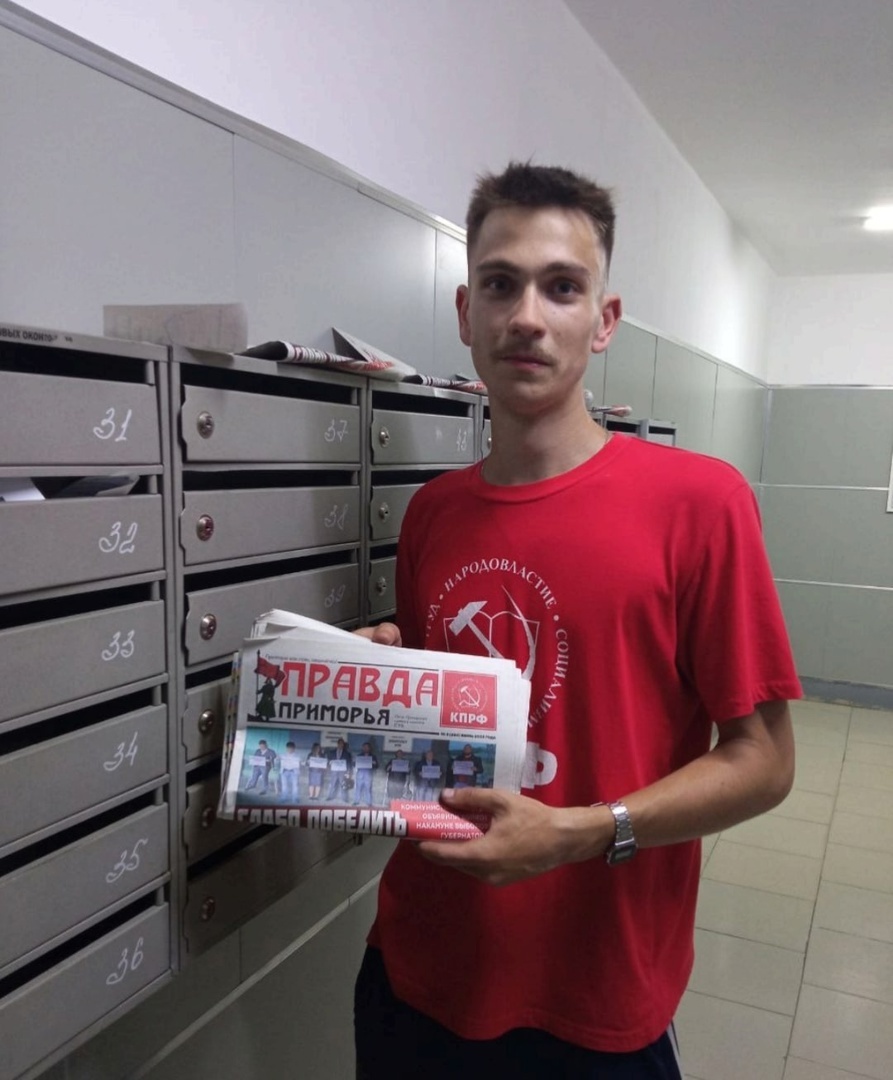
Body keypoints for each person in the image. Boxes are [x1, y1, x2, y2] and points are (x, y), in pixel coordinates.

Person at [353, 162, 800, 1080]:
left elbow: (763, 761)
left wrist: (586, 830)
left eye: (561, 287)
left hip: (593, 1000)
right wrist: (370, 689)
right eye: (500, 284)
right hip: (417, 974)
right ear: (465, 312)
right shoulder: (433, 513)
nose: (526, 316)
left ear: (603, 321)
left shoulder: (699, 503)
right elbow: (444, 742)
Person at [325, 737, 353, 802]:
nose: (341, 745)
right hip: (334, 771)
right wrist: (329, 763)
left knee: (343, 785)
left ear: (343, 745)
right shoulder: (332, 752)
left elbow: (349, 763)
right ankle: (330, 797)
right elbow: (328, 760)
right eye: (340, 743)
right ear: (337, 744)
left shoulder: (347, 753)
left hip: (342, 772)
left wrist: (349, 772)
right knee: (332, 784)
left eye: (342, 744)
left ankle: (345, 799)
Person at [353, 741, 379, 807]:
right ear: (362, 748)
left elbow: (377, 766)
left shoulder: (373, 756)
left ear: (369, 748)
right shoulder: (359, 756)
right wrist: (355, 761)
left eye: (367, 747)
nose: (366, 748)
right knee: (358, 788)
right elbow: (354, 764)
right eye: (364, 747)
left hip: (368, 774)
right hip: (360, 774)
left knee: (368, 789)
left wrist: (373, 763)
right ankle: (356, 801)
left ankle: (369, 802)